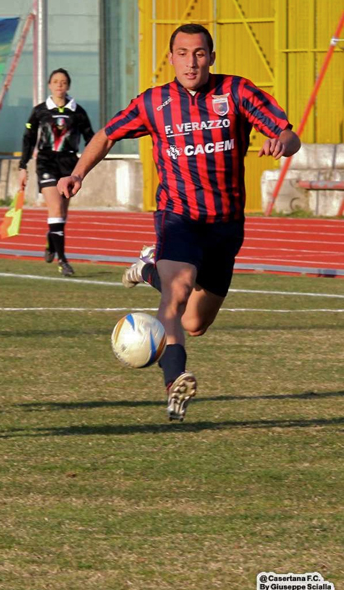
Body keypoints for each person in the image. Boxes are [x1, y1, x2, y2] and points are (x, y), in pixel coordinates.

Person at [57, 23, 300, 422]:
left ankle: (148, 268)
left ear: (212, 56)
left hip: (226, 224)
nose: (191, 61)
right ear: (170, 58)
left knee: (195, 322)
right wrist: (79, 173)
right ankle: (175, 382)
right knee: (177, 292)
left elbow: (290, 136)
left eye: (200, 53)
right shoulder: (154, 102)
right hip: (178, 216)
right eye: (183, 53)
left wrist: (281, 142)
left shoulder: (236, 92)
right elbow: (107, 135)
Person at [18, 68, 94, 276]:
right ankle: (63, 260)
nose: (59, 85)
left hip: (69, 164)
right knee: (56, 210)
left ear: (68, 86)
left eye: (63, 82)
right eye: (55, 82)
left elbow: (91, 139)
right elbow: (28, 139)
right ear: (50, 85)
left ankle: (52, 242)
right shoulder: (40, 110)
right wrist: (23, 167)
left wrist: (87, 164)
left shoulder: (77, 112)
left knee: (62, 213)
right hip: (46, 162)